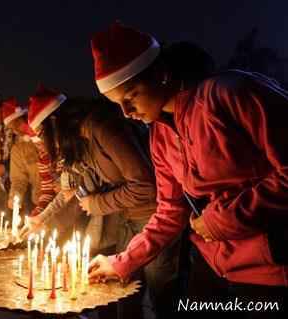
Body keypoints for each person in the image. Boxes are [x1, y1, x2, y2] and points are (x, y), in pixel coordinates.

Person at [88, 22, 288, 318]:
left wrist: (222, 220)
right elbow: (170, 211)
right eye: (118, 104)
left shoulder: (229, 95)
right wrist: (122, 262)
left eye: (130, 97)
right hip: (211, 270)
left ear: (161, 74)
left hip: (269, 275)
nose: (126, 113)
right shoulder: (160, 136)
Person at [25, 86, 179, 318]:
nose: (53, 146)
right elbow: (78, 191)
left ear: (55, 123)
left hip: (156, 220)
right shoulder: (84, 139)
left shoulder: (102, 128)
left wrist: (96, 204)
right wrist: (42, 220)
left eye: (47, 137)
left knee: (162, 298)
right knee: (124, 295)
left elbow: (146, 187)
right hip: (128, 221)